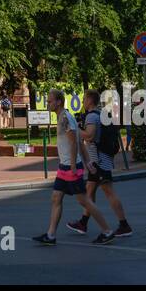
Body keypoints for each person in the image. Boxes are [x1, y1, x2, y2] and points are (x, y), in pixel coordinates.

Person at [33, 89, 114, 246]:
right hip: (65, 166)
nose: (48, 104)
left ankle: (107, 231)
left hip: (69, 167)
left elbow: (73, 143)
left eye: (50, 101)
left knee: (84, 201)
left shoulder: (64, 118)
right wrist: (88, 161)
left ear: (58, 102)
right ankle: (51, 235)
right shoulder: (64, 117)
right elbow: (78, 141)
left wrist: (73, 166)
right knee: (56, 198)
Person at [68, 88, 132, 237]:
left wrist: (75, 129)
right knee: (89, 192)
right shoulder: (100, 114)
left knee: (109, 192)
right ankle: (83, 223)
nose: (83, 102)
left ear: (90, 100)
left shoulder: (91, 116)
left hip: (99, 161)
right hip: (97, 160)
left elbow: (89, 136)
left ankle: (124, 225)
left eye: (84, 99)